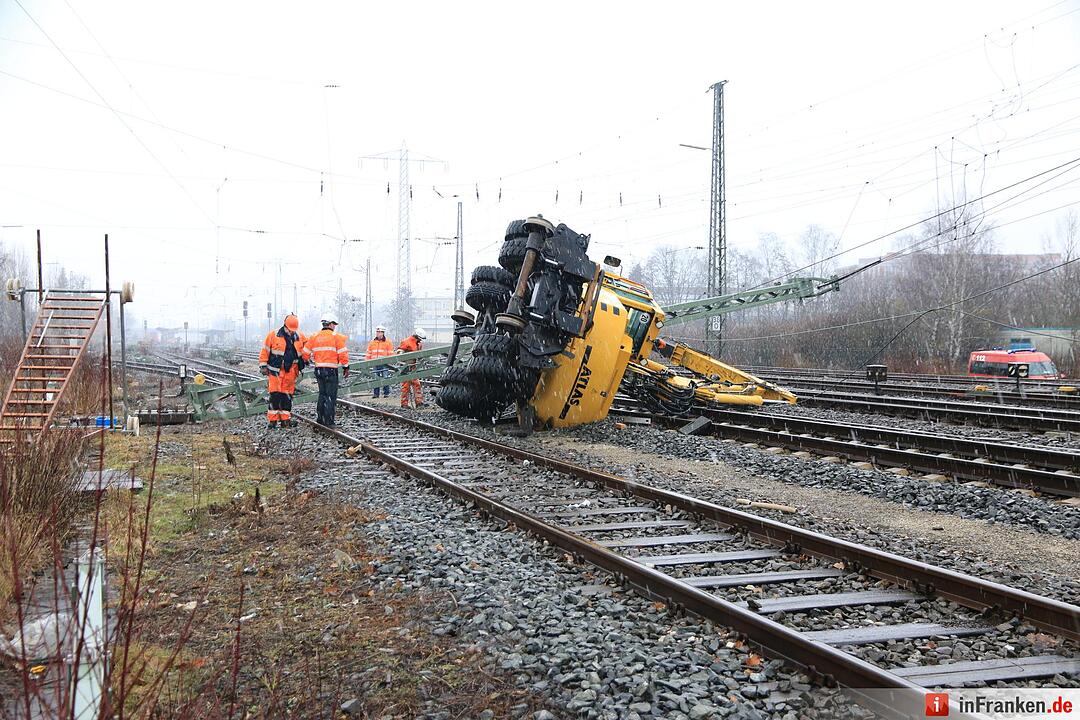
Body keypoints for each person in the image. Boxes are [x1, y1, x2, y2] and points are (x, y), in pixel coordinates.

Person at [258, 313, 306, 429]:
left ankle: (285, 420)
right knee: (274, 396)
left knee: (287, 397)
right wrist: (263, 365)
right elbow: (265, 351)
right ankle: (273, 421)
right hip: (275, 371)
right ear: (285, 326)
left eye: (293, 330)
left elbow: (307, 349)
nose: (291, 332)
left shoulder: (300, 337)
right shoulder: (273, 335)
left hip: (291, 372)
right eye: (290, 330)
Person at [302, 316, 349, 427]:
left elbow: (305, 353)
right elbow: (343, 354)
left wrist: (308, 360)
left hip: (319, 370)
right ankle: (329, 421)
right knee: (330, 396)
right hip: (331, 370)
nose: (335, 327)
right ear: (331, 324)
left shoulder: (314, 336)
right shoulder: (336, 337)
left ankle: (320, 418)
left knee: (322, 394)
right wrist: (346, 367)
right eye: (334, 324)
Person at [397, 327, 426, 408]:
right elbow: (400, 352)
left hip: (413, 367)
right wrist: (401, 355)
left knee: (417, 384)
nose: (421, 341)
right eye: (420, 339)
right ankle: (404, 404)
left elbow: (419, 354)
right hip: (405, 367)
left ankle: (419, 403)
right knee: (405, 386)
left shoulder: (418, 344)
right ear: (417, 336)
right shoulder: (406, 342)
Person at [365, 325, 394, 398]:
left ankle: (386, 393)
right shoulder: (372, 342)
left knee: (385, 378)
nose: (378, 333)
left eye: (379, 332)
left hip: (385, 364)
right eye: (377, 332)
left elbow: (390, 353)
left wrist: (390, 362)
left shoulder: (388, 342)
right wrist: (367, 363)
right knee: (376, 378)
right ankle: (376, 394)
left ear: (383, 333)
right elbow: (369, 353)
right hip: (375, 363)